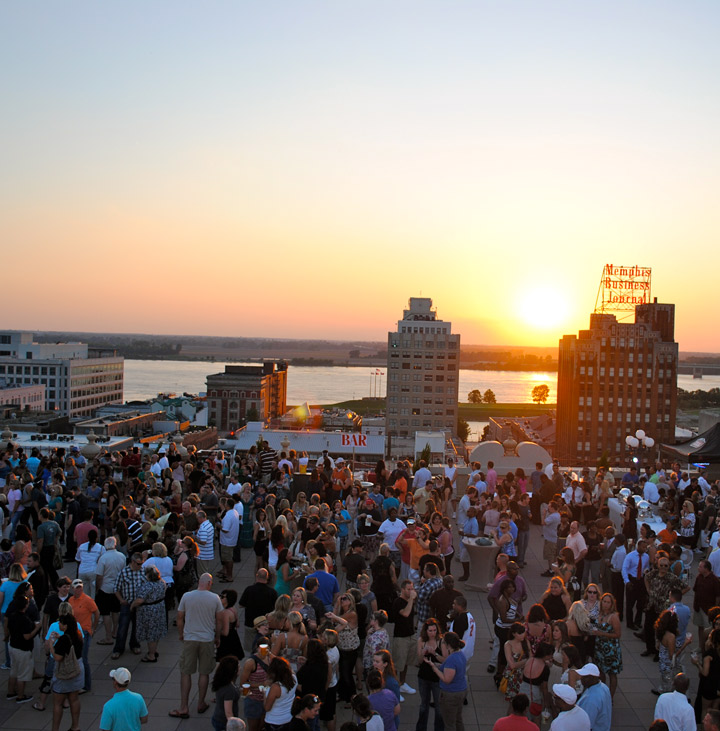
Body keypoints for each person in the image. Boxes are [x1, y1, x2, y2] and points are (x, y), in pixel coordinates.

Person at [169, 573, 223, 719]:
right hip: (207, 639)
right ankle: (200, 703)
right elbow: (219, 621)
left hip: (190, 638)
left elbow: (180, 618)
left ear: (199, 582)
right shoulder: (215, 598)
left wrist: (181, 634)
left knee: (186, 672)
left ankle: (184, 706)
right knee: (204, 673)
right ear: (210, 583)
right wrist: (217, 636)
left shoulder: (187, 596)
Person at [424, 631, 467, 731]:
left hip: (450, 694)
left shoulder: (451, 659)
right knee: (458, 719)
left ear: (448, 645)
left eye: (443, 643)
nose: (442, 644)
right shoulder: (460, 654)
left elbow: (446, 679)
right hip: (461, 691)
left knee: (449, 723)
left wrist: (433, 667)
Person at [51, 614, 85, 731]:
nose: (59, 624)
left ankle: (55, 729)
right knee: (74, 699)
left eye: (60, 623)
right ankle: (75, 726)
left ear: (65, 626)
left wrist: (51, 645)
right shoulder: (78, 634)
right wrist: (60, 637)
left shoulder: (64, 640)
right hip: (77, 669)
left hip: (65, 672)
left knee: (58, 703)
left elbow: (58, 657)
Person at [6, 593, 40, 704]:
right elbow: (27, 636)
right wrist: (36, 628)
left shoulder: (12, 616)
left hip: (13, 646)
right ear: (25, 606)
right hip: (23, 649)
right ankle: (20, 696)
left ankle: (10, 692)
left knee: (13, 671)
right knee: (23, 674)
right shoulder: (24, 619)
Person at [95, 537, 127, 646]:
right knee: (115, 611)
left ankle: (108, 636)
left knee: (105, 613)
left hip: (105, 588)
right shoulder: (122, 556)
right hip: (118, 588)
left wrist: (98, 589)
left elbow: (99, 576)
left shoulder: (103, 558)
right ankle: (115, 631)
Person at [131, 565, 167, 662]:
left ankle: (151, 655)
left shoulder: (147, 586)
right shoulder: (162, 583)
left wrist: (132, 605)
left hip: (149, 612)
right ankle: (154, 650)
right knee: (156, 633)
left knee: (151, 634)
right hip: (159, 609)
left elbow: (139, 600)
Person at [591, 592, 623, 697]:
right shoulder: (599, 614)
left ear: (612, 604)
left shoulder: (613, 617)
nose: (605, 604)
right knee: (600, 672)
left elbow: (618, 634)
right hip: (599, 648)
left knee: (612, 674)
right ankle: (602, 693)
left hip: (611, 649)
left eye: (608, 602)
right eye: (604, 601)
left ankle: (611, 696)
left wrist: (602, 633)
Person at [654, 609, 692, 695]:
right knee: (670, 689)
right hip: (669, 668)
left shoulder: (661, 631)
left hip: (663, 664)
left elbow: (657, 646)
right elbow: (672, 656)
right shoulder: (670, 637)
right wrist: (685, 644)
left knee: (665, 685)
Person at [239, 568, 278, 651]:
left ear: (257, 576)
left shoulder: (249, 590)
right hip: (265, 625)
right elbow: (276, 608)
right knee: (264, 649)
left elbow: (241, 604)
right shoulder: (272, 592)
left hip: (250, 624)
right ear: (267, 578)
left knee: (251, 649)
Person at [391, 579, 417, 693]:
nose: (411, 591)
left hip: (410, 634)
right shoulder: (398, 602)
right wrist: (411, 599)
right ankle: (395, 687)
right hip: (401, 637)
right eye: (408, 589)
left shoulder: (410, 601)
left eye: (412, 589)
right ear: (402, 589)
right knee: (398, 663)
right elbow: (405, 613)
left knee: (406, 661)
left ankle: (402, 682)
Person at [264, 656, 299, 731]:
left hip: (274, 721)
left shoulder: (276, 687)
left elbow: (267, 708)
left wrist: (265, 691)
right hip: (288, 718)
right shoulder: (294, 678)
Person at [575, 663, 612, 731]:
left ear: (593, 678)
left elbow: (586, 725)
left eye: (585, 677)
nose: (581, 678)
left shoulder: (591, 700)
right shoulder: (604, 687)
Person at [212, 655, 241, 731]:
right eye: (238, 667)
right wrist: (234, 727)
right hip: (223, 723)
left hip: (218, 717)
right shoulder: (229, 689)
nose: (240, 668)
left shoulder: (223, 681)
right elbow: (228, 713)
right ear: (234, 671)